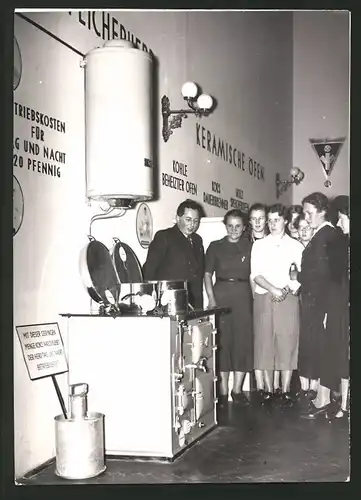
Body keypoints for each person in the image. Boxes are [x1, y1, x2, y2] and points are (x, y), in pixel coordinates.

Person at [250, 204, 303, 406]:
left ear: (286, 221)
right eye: (270, 220)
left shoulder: (296, 246)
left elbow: (298, 274)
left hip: (288, 298)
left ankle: (286, 389)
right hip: (265, 296)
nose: (272, 224)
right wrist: (274, 289)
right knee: (265, 342)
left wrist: (286, 291)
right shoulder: (259, 245)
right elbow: (256, 274)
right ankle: (269, 390)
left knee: (287, 342)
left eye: (277, 220)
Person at [204, 210, 253, 408]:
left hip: (243, 296)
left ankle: (237, 390)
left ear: (244, 227)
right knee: (223, 342)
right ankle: (223, 392)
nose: (234, 230)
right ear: (225, 226)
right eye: (230, 225)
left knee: (242, 341)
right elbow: (207, 275)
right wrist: (212, 299)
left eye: (238, 226)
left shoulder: (250, 246)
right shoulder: (215, 246)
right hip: (221, 295)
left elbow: (254, 275)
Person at [297, 192, 338, 417]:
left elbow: (324, 275)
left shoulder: (326, 235)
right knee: (318, 350)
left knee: (322, 351)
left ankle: (323, 402)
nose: (306, 217)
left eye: (309, 212)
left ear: (322, 212)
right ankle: (322, 400)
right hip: (315, 303)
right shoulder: (322, 234)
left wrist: (300, 277)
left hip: (319, 304)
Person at [143, 199, 205, 309]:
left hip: (192, 303)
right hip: (168, 302)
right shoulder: (164, 237)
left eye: (196, 221)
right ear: (177, 218)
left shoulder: (197, 240)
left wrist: (199, 306)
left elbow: (198, 275)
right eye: (188, 220)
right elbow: (149, 270)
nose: (192, 225)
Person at [320, 195, 349, 423]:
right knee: (343, 355)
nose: (339, 224)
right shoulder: (340, 245)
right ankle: (344, 405)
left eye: (342, 219)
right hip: (341, 308)